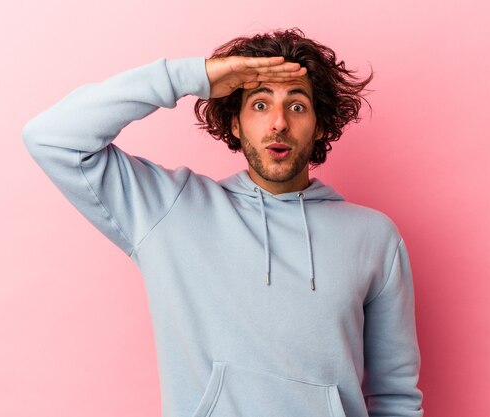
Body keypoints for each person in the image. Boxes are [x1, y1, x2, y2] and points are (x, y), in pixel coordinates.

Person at [23, 28, 423, 417]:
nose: (279, 122)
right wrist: (196, 77)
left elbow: (395, 397)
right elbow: (52, 137)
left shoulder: (374, 238)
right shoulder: (170, 210)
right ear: (235, 123)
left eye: (297, 106)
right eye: (260, 105)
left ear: (319, 126)